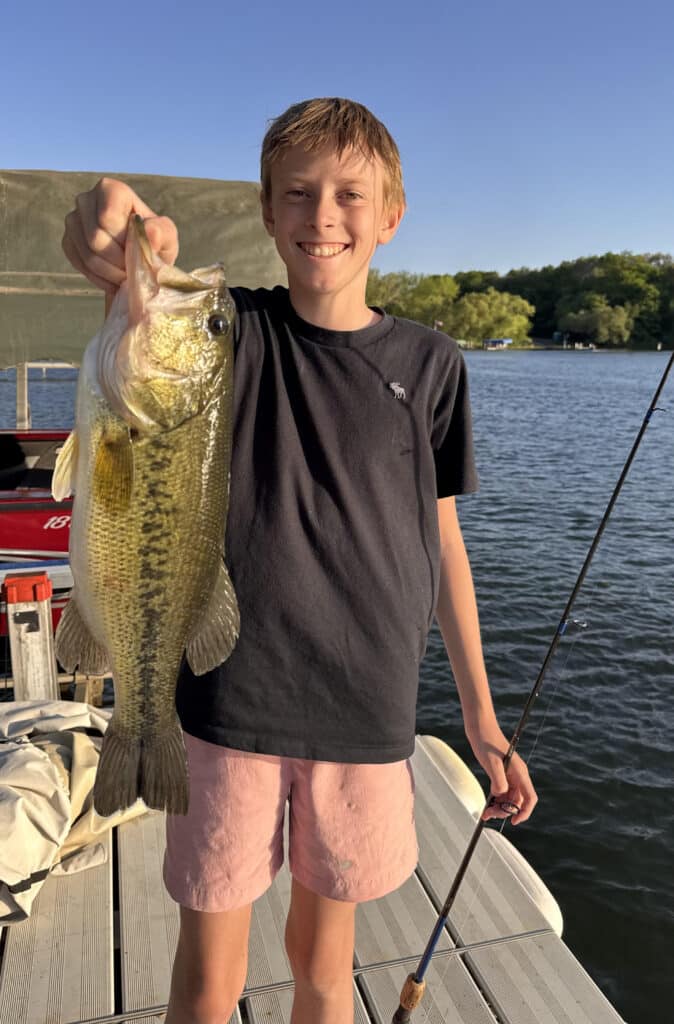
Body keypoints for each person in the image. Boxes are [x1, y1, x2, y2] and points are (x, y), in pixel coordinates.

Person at [62, 97, 537, 1024]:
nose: (324, 214)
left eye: (350, 195)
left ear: (390, 216)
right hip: (228, 699)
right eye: (299, 194)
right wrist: (117, 225)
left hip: (365, 708)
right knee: (209, 978)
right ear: (270, 213)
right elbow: (121, 262)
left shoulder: (433, 364)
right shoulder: (230, 334)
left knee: (325, 971)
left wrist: (481, 718)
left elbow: (442, 540)